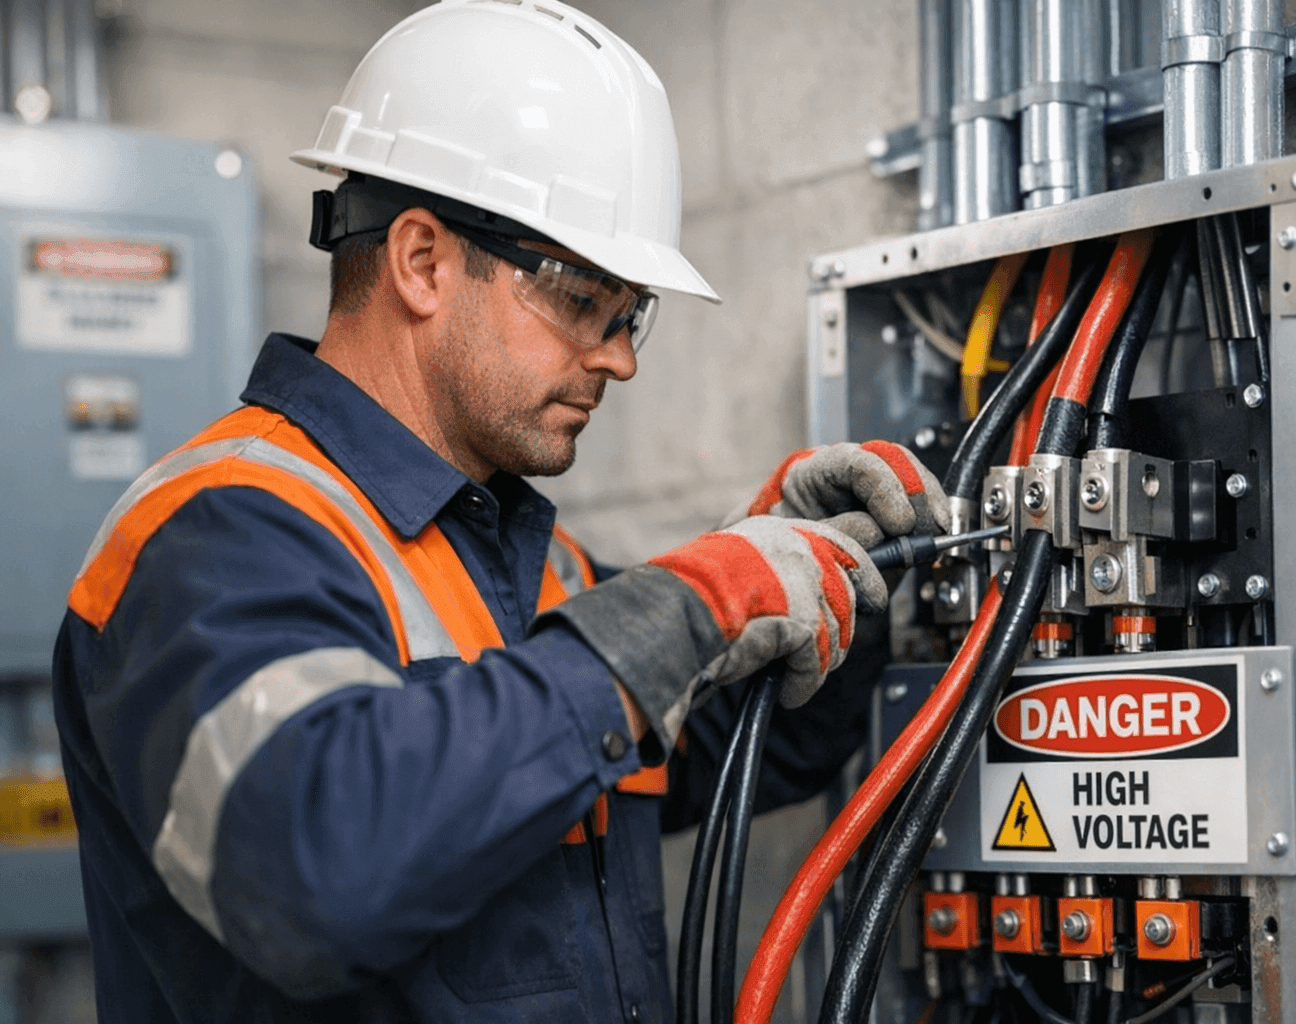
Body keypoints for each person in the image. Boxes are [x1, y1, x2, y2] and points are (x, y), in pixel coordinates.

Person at [51, 1, 950, 1020]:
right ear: (423, 260)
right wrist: (681, 610)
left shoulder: (529, 556)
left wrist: (840, 573)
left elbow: (749, 754)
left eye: (629, 312)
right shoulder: (213, 532)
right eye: (580, 297)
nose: (620, 355)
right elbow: (314, 869)